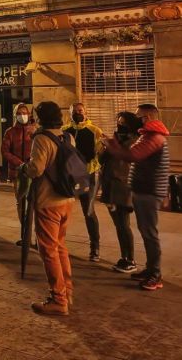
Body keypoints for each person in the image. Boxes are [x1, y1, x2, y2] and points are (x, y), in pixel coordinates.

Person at [104, 103, 170, 291]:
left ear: (148, 117)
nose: (136, 119)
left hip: (149, 192)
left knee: (150, 234)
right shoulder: (149, 136)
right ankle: (150, 269)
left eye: (138, 116)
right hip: (144, 191)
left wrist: (112, 145)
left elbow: (132, 155)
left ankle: (155, 275)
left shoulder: (154, 137)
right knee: (146, 232)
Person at [22, 101, 75, 316]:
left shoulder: (41, 139)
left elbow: (35, 169)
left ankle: (58, 299)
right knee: (60, 246)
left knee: (49, 250)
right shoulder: (67, 137)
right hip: (66, 200)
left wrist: (23, 167)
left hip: (48, 202)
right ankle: (67, 291)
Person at [99, 111, 140, 274]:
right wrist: (105, 147)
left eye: (123, 123)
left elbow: (128, 158)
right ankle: (124, 257)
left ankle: (130, 259)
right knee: (118, 225)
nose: (119, 125)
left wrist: (112, 145)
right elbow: (101, 160)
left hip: (123, 188)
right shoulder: (115, 140)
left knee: (123, 225)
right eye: (118, 122)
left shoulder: (135, 142)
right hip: (110, 187)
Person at [63, 102, 103, 262]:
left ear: (85, 112)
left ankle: (95, 247)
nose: (78, 113)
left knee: (89, 211)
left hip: (88, 175)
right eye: (74, 111)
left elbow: (99, 155)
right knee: (62, 209)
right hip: (69, 176)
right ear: (70, 113)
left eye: (80, 111)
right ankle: (59, 243)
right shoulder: (65, 131)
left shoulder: (94, 131)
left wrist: (88, 169)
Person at [1, 104, 35, 245]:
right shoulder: (10, 132)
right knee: (21, 203)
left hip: (33, 172)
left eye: (24, 112)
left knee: (33, 204)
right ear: (15, 115)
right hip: (17, 173)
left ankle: (37, 237)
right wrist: (19, 163)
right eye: (19, 113)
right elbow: (5, 151)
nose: (22, 115)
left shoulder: (34, 130)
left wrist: (31, 164)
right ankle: (25, 236)